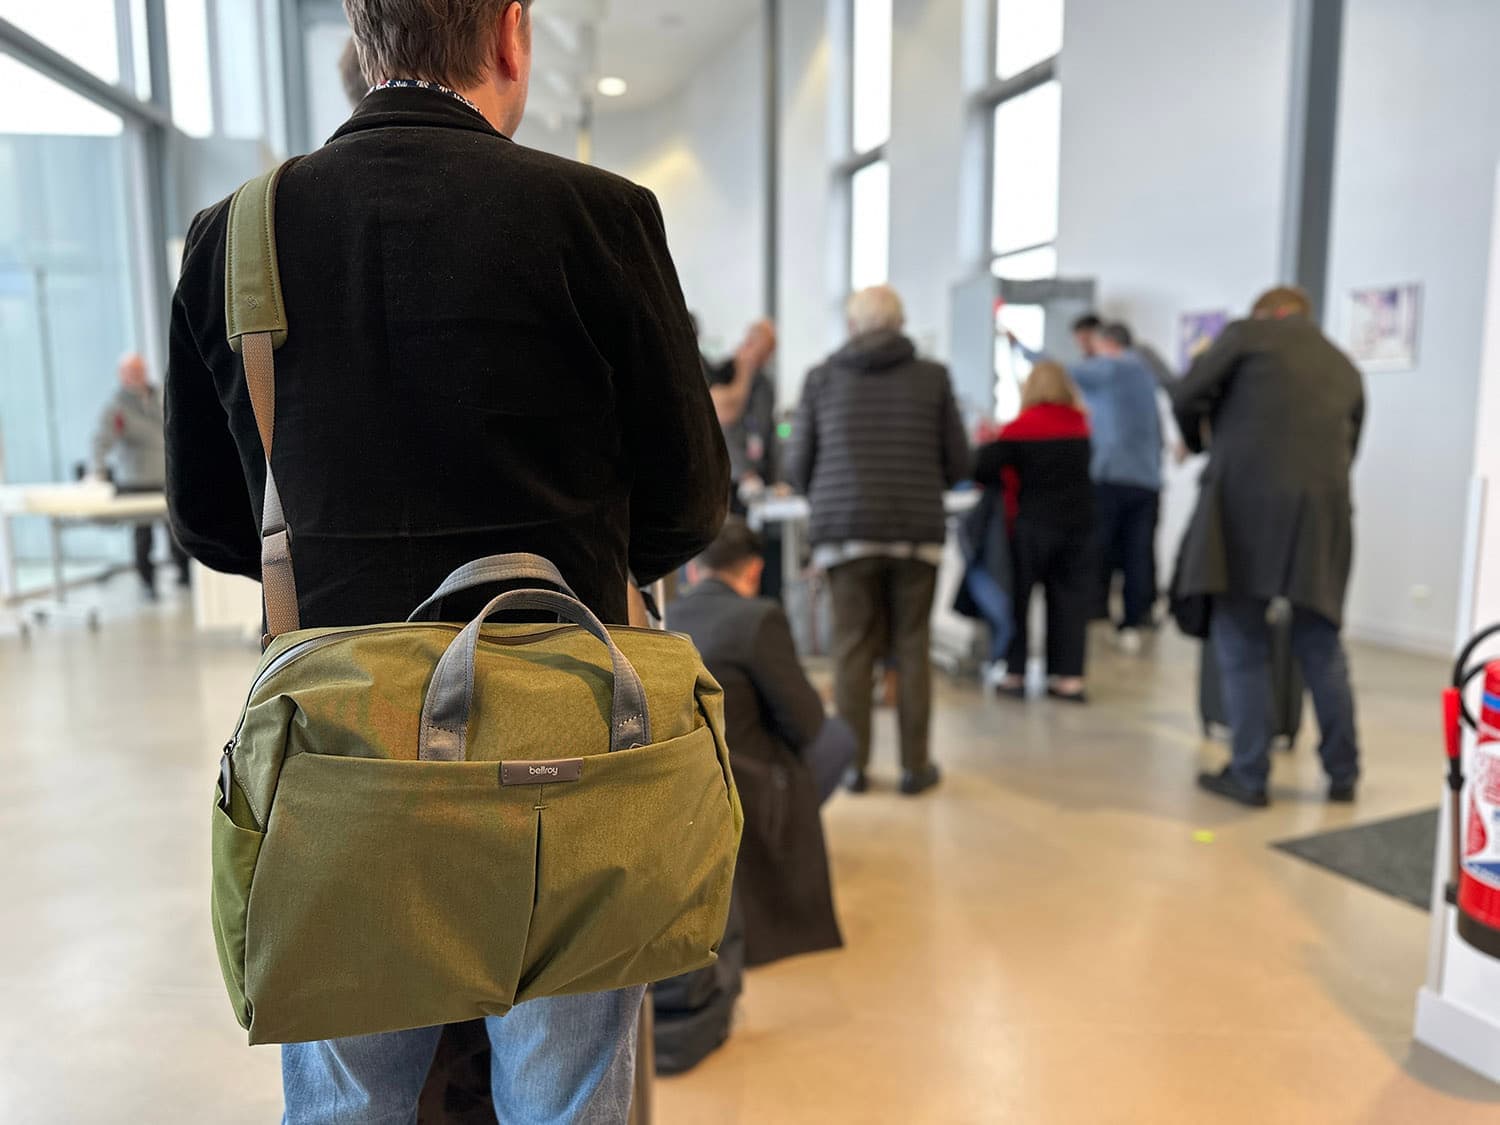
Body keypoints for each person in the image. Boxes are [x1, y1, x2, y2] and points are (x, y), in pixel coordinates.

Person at [165, 1, 730, 1120]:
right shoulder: (602, 215)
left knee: (347, 1099)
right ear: (511, 34)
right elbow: (691, 500)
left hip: (343, 750)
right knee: (569, 1094)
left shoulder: (239, 232)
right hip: (575, 730)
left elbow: (210, 524)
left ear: (364, 38)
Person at [654, 519, 850, 1072]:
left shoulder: (664, 621)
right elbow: (806, 721)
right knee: (840, 738)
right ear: (755, 568)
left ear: (693, 568)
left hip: (688, 784)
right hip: (749, 784)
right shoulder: (758, 618)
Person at [1172, 286, 1364, 808]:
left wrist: (1201, 440)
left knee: (1242, 641)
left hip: (1244, 508)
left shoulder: (1246, 335)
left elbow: (1186, 393)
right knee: (1320, 644)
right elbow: (1352, 447)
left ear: (1265, 312)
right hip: (1322, 515)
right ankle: (1343, 774)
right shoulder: (1343, 363)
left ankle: (1250, 774)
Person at [787, 286, 969, 797]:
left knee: (852, 651)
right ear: (902, 322)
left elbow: (796, 465)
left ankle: (852, 767)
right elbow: (959, 463)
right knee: (912, 647)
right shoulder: (933, 377)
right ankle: (915, 767)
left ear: (852, 326)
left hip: (845, 534)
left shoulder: (821, 379)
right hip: (916, 533)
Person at [973, 362, 1094, 703]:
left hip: (1030, 528)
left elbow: (981, 469)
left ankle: (1015, 674)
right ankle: (1069, 679)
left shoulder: (1019, 430)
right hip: (1078, 529)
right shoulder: (1081, 426)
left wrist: (988, 439)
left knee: (1018, 602)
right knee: (1070, 605)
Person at [1075, 323, 1164, 651]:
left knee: (1102, 548)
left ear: (1108, 344)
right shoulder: (1147, 372)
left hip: (1113, 477)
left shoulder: (1113, 367)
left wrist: (1017, 344)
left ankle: (1096, 612)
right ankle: (1136, 615)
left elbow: (1055, 371)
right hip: (1148, 479)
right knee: (1140, 551)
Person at [92, 354, 190, 599]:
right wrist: (99, 470)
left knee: (177, 530)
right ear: (122, 375)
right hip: (135, 480)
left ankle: (185, 575)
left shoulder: (160, 395)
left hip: (165, 476)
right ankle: (148, 583)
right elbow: (102, 440)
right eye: (130, 371)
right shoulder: (117, 406)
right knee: (143, 535)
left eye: (139, 370)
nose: (136, 375)